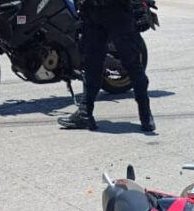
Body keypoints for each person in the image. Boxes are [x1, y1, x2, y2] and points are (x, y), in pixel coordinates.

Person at [59, 0, 155, 132]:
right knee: (91, 64)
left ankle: (145, 115)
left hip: (117, 12)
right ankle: (84, 113)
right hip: (92, 13)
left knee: (132, 64)